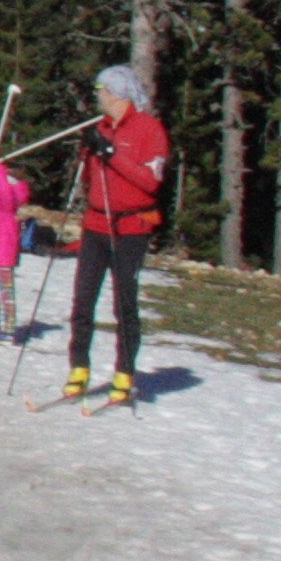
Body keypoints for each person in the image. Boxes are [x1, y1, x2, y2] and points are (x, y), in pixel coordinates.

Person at [64, 63, 174, 405]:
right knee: (83, 300)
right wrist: (88, 152)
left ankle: (124, 372)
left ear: (117, 94)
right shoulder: (100, 127)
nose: (99, 98)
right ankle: (78, 367)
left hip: (130, 228)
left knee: (124, 302)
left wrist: (112, 154)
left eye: (101, 92)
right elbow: (90, 180)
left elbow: (151, 181)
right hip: (96, 225)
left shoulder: (149, 129)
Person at [0, 154, 33, 339]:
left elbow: (5, 193)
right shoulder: (2, 196)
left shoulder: (7, 197)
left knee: (4, 293)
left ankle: (6, 330)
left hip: (3, 252)